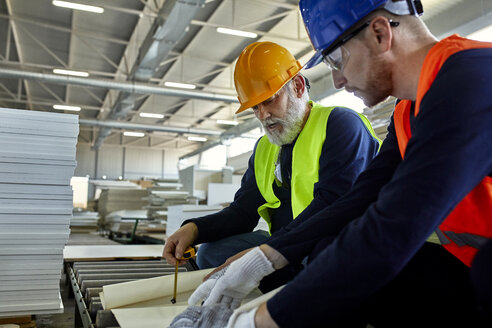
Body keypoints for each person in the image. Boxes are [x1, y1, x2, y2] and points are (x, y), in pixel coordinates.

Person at [177, 0, 492, 327]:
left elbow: (394, 226)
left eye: (336, 59)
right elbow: (359, 197)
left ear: (380, 34)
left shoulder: (470, 80)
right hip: (468, 265)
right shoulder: (408, 109)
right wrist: (262, 260)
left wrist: (260, 320)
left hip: (480, 270)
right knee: (337, 258)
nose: (337, 81)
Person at [163, 41, 381, 288]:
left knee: (319, 256)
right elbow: (242, 213)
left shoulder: (341, 124)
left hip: (336, 241)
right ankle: (283, 284)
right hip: (287, 245)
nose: (262, 115)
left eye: (269, 100)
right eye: (255, 107)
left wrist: (267, 252)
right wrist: (194, 229)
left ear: (297, 87)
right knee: (211, 253)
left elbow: (333, 204)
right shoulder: (265, 147)